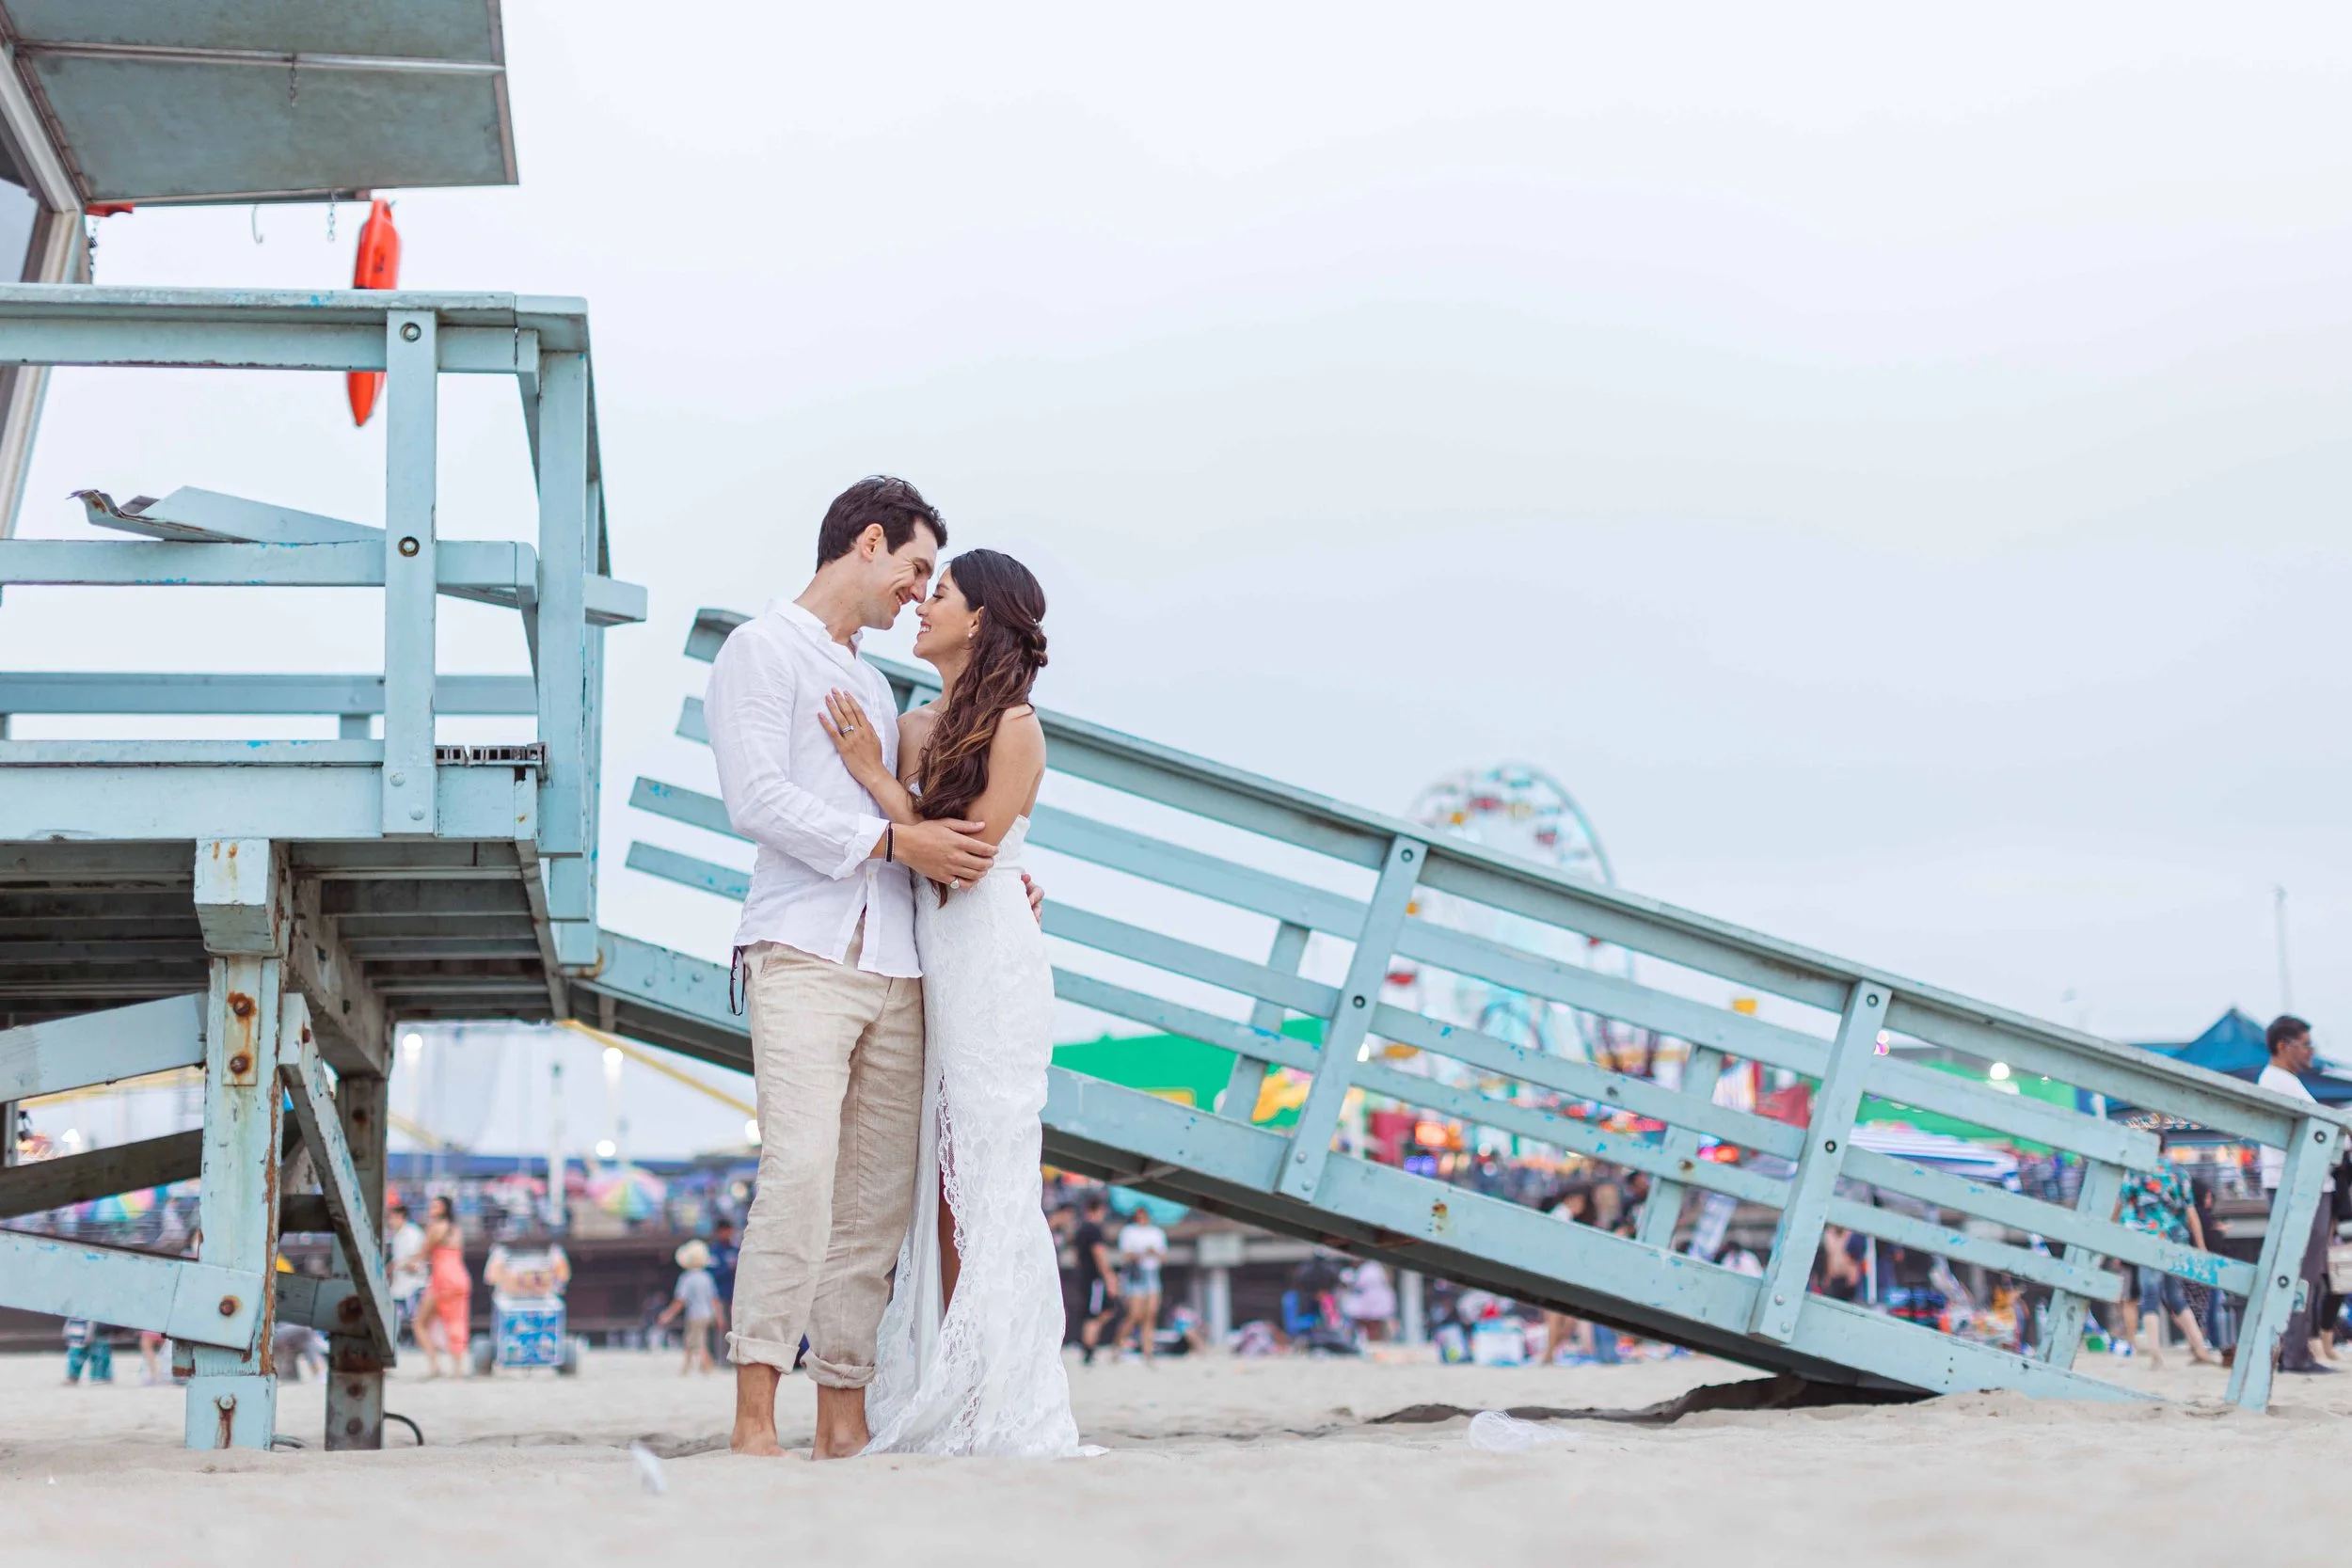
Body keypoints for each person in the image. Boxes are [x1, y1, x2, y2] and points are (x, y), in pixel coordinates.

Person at [707, 478, 1050, 1460]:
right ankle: (755, 1411)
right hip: (804, 947)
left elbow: (942, 812)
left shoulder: (879, 687)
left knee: (872, 1203)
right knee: (800, 1170)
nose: (917, 590)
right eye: (912, 567)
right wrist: (893, 845)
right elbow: (757, 799)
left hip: (903, 962)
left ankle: (844, 1412)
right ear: (867, 542)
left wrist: (1002, 877)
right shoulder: (759, 650)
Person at [823, 546, 1089, 1456]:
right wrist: (886, 778)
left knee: (987, 1168)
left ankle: (1001, 1390)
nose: (922, 603)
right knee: (935, 1175)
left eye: (939, 592)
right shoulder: (913, 721)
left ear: (979, 618)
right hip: (930, 951)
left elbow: (964, 853)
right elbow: (919, 839)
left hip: (992, 957)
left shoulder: (1016, 725)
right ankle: (948, 1371)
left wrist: (870, 777)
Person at [2259, 1015, 2335, 1374]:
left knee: (2302, 1267)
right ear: (2282, 1046)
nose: (2310, 1051)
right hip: (2299, 1186)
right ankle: (2295, 1353)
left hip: (2297, 1184)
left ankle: (2292, 1350)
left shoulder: (2281, 1081)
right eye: (2305, 1044)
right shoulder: (2280, 1082)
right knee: (2303, 1268)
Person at [2116, 1147, 2221, 1367]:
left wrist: (2113, 1230)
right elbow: (2190, 1211)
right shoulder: (2178, 1173)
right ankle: (2200, 1348)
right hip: (2174, 1240)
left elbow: (2121, 1204)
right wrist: (2200, 1244)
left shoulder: (2136, 1172)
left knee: (2149, 1295)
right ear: (2166, 1147)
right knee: (2175, 1296)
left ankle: (2155, 1352)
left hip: (2146, 1239)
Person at [408, 1195, 471, 1378]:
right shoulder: (456, 1230)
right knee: (456, 1321)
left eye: (435, 1207)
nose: (431, 1209)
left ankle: (435, 1365)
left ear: (443, 1209)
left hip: (442, 1278)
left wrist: (402, 1265)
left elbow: (422, 1254)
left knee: (420, 1323)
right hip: (460, 1277)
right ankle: (457, 1369)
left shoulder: (435, 1228)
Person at [657, 1239, 726, 1374]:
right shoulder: (707, 1277)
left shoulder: (687, 1278)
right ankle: (686, 1367)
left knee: (696, 1342)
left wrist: (668, 1315)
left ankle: (707, 1367)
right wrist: (719, 1316)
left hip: (695, 1314)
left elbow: (680, 1300)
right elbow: (714, 1299)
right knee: (692, 1341)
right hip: (707, 1314)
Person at [1069, 1192, 1123, 1365]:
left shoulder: (1081, 1229)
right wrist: (1110, 1277)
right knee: (1096, 1314)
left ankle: (1088, 1348)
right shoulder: (1094, 1229)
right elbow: (1099, 1254)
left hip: (1085, 1277)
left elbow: (1076, 1256)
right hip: (1095, 1279)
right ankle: (1088, 1351)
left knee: (1098, 1312)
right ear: (1099, 1209)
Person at [1114, 1206, 1169, 1362]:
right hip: (1135, 1274)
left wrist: (1153, 1253)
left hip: (1152, 1273)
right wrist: (1142, 1253)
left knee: (1150, 1315)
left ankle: (1147, 1351)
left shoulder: (1156, 1233)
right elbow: (1125, 1255)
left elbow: (1164, 1257)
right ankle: (1117, 1346)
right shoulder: (1129, 1232)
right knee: (1134, 1314)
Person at [386, 1197, 428, 1346]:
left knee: (418, 1320)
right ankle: (393, 1344)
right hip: (400, 1286)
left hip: (413, 1285)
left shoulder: (413, 1234)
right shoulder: (397, 1235)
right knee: (393, 1317)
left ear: (401, 1216)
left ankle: (423, 1346)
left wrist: (395, 1265)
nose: (390, 1222)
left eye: (391, 1217)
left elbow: (416, 1262)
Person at [1340, 1259, 1398, 1343]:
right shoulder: (1367, 1269)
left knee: (1373, 1326)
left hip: (1373, 1304)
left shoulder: (1371, 1268)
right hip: (1368, 1303)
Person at [61, 1318, 112, 1385]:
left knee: (99, 1354)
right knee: (76, 1356)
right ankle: (73, 1377)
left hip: (98, 1329)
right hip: (78, 1332)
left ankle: (100, 1376)